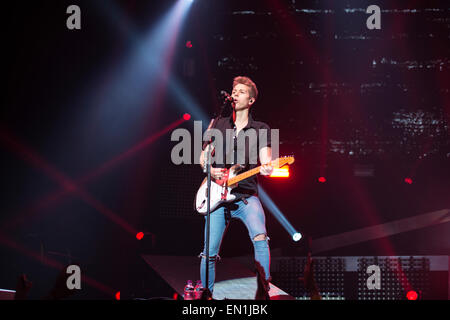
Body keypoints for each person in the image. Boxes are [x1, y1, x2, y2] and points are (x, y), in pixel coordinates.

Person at [199, 76, 274, 297]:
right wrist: (210, 170)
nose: (235, 94)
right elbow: (203, 159)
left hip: (245, 195)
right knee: (208, 253)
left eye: (241, 91)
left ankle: (264, 288)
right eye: (234, 90)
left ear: (251, 100)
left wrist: (268, 167)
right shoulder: (218, 123)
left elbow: (266, 159)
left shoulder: (261, 128)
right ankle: (207, 295)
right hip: (217, 195)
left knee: (260, 236)